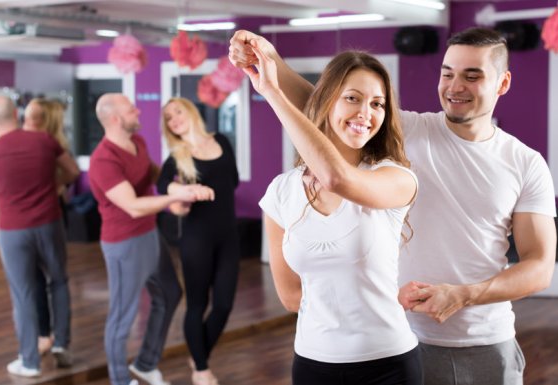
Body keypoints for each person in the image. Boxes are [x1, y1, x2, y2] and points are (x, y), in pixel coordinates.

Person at [229, 27, 557, 385]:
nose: (455, 86)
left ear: (503, 83)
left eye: (472, 75)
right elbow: (325, 105)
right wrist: (270, 60)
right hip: (404, 336)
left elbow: (539, 268)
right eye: (447, 73)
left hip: (485, 342)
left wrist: (463, 295)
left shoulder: (526, 163)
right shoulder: (412, 130)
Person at [246, 43, 422, 384]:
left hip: (388, 364)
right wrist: (265, 54)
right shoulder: (281, 193)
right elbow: (291, 297)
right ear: (326, 100)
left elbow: (337, 178)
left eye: (377, 104)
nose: (365, 113)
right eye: (352, 98)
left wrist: (272, 91)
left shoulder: (397, 178)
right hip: (313, 363)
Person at [89, 93, 215, 385]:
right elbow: (132, 205)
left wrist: (176, 190)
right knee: (122, 316)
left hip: (148, 234)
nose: (139, 111)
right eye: (131, 109)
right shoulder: (103, 160)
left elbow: (154, 176)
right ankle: (120, 380)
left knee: (170, 293)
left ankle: (146, 363)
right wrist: (175, 197)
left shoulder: (138, 143)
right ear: (116, 119)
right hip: (123, 243)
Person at [0, 95, 80, 377]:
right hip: (49, 223)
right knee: (58, 281)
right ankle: (62, 344)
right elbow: (72, 171)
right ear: (17, 113)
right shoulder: (44, 141)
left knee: (23, 294)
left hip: (13, 231)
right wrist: (52, 185)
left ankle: (30, 361)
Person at [156, 97, 240, 385]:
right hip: (196, 239)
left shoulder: (222, 141)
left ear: (190, 111)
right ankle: (201, 369)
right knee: (197, 304)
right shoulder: (178, 155)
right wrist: (183, 191)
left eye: (178, 111)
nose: (174, 119)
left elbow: (234, 181)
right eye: (168, 117)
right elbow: (163, 184)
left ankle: (198, 351)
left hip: (229, 236)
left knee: (225, 305)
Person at [23, 97, 78, 356]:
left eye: (32, 114)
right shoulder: (53, 146)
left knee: (45, 279)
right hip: (46, 216)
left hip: (50, 216)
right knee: (49, 279)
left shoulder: (53, 147)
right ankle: (55, 339)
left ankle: (50, 337)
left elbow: (69, 178)